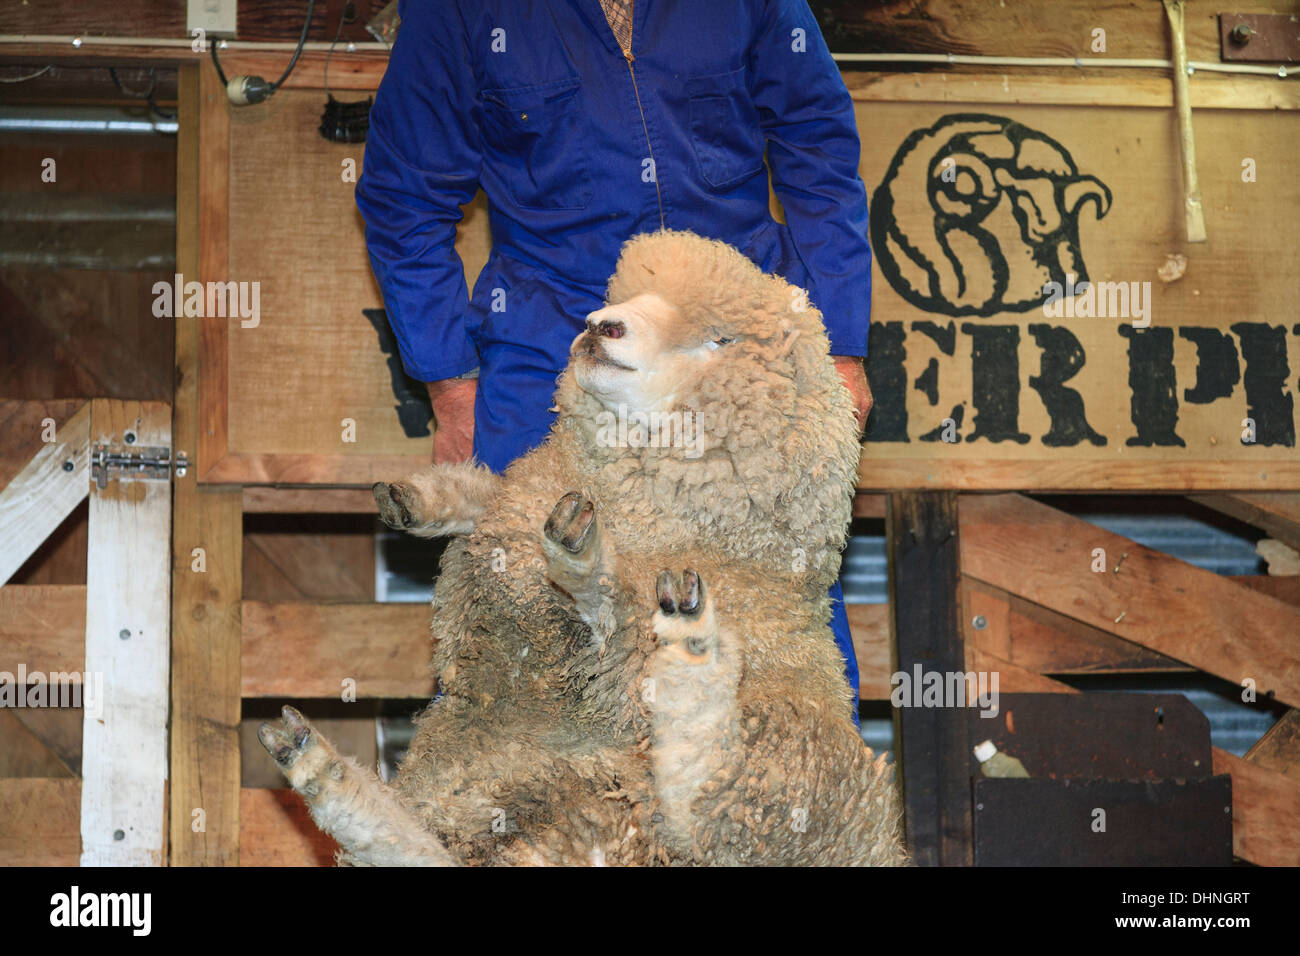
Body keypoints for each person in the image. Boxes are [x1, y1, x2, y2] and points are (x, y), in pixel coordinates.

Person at [356, 0, 874, 714]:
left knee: (776, 615)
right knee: (520, 617)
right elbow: (403, 198)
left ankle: (787, 808)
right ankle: (511, 814)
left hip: (728, 350)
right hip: (554, 347)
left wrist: (839, 346)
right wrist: (451, 386)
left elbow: (818, 147)